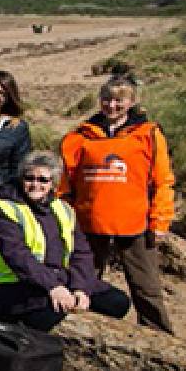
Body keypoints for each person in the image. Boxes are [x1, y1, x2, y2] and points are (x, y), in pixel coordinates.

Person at [58, 77, 174, 333]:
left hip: (135, 223)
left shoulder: (148, 134)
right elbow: (66, 184)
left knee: (146, 287)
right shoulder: (80, 136)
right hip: (88, 222)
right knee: (83, 281)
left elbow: (163, 181)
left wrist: (160, 221)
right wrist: (64, 218)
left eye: (119, 100)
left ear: (132, 102)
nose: (111, 105)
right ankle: (82, 331)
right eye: (107, 99)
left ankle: (159, 336)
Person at [0, 151, 130, 331]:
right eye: (29, 178)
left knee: (118, 303)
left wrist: (80, 288)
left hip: (60, 277)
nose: (35, 184)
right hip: (15, 283)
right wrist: (53, 287)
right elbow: (18, 257)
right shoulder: (4, 210)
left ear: (53, 183)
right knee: (52, 313)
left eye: (43, 180)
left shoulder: (63, 209)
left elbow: (81, 252)